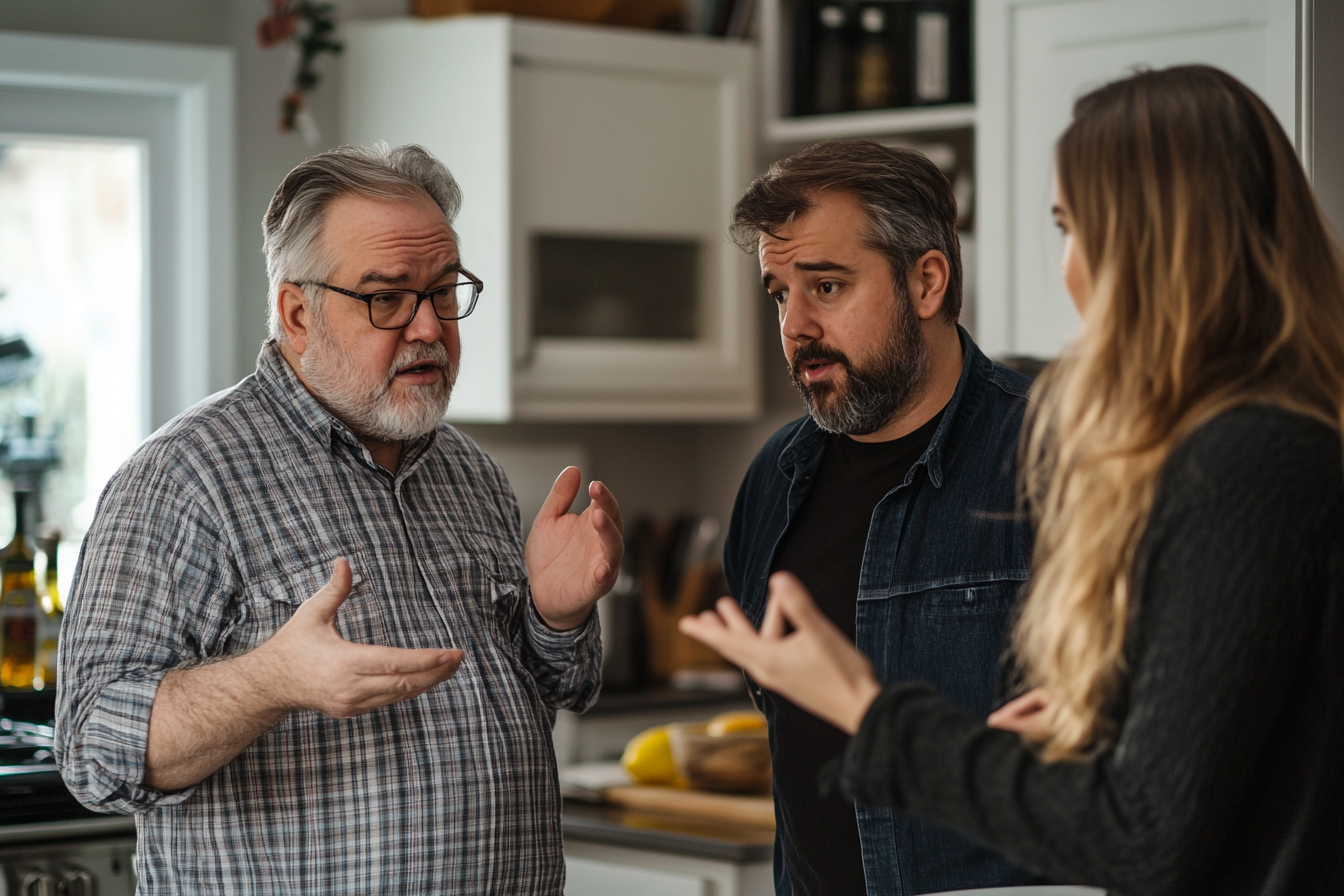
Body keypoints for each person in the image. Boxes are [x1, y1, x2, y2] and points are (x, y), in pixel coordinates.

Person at [683, 65, 1344, 896]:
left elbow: (1144, 831)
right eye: (780, 293)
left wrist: (870, 712)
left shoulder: (1238, 459)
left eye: (1074, 227)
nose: (1065, 268)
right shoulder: (777, 479)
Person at [55, 144, 624, 894]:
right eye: (387, 298)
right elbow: (93, 751)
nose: (428, 328)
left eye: (444, 291)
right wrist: (269, 681)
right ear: (298, 312)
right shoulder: (183, 481)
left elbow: (561, 688)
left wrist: (557, 619)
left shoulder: (470, 473)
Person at [722, 139, 1036, 895]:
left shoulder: (1056, 457)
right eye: (778, 294)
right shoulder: (776, 476)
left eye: (826, 287)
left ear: (926, 281)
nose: (795, 326)